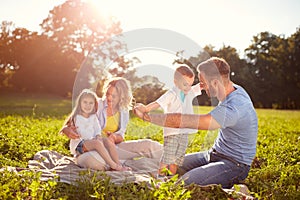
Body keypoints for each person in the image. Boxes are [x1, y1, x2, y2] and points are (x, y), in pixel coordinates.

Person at [134, 57, 258, 188]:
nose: (201, 86)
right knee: (173, 165)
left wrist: (147, 117)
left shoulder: (235, 106)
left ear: (215, 82)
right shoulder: (231, 88)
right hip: (213, 154)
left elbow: (184, 121)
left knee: (186, 182)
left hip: (235, 164)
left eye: (203, 82)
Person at [61, 77, 163, 171]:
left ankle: (173, 162)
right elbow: (70, 122)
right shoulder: (95, 103)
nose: (109, 98)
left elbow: (121, 136)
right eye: (107, 94)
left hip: (112, 149)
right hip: (90, 151)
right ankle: (117, 164)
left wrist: (114, 137)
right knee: (93, 161)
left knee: (147, 145)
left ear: (121, 97)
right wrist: (66, 130)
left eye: (113, 96)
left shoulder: (123, 111)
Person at [136, 65, 202, 176]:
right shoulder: (171, 94)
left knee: (177, 158)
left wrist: (205, 83)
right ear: (176, 82)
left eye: (190, 84)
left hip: (184, 132)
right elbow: (158, 103)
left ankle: (171, 177)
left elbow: (199, 87)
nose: (188, 88)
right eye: (185, 84)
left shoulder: (189, 92)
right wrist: (146, 108)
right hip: (172, 132)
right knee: (168, 157)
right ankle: (161, 176)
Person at [61, 89, 130, 171]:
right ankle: (114, 166)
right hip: (79, 145)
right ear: (79, 103)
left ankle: (118, 163)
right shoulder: (77, 117)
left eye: (91, 103)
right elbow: (81, 133)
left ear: (95, 104)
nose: (88, 105)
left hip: (91, 142)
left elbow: (97, 128)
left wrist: (98, 136)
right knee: (97, 143)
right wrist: (94, 139)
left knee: (108, 141)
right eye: (85, 102)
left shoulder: (93, 116)